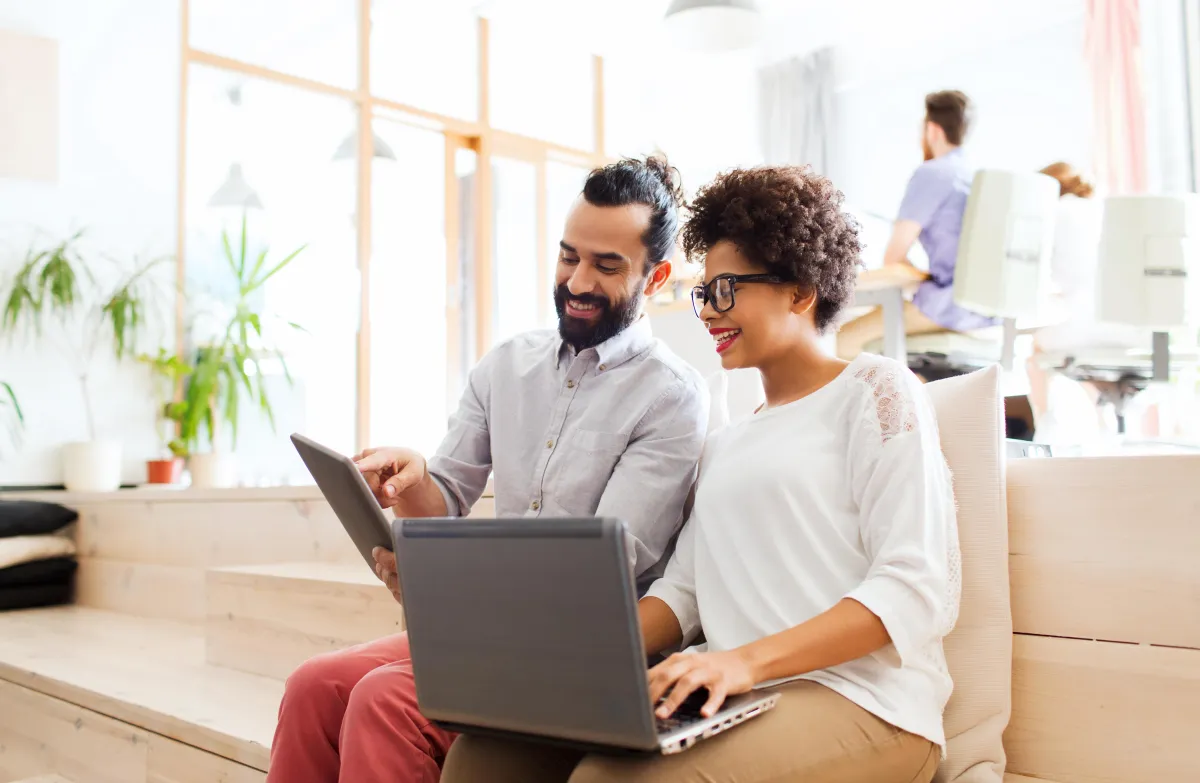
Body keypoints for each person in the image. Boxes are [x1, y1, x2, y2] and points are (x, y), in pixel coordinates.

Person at [442, 165, 961, 783]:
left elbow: (914, 587)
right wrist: (569, 659)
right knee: (483, 759)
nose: (709, 312)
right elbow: (682, 592)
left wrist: (740, 664)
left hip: (864, 702)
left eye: (727, 290)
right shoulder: (730, 438)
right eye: (704, 292)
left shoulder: (876, 391)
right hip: (738, 692)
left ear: (799, 291)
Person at [267, 156, 710, 783]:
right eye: (568, 256)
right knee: (314, 684)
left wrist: (445, 584)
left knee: (384, 702)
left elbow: (597, 567)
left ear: (656, 276)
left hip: (589, 646)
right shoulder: (507, 364)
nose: (578, 280)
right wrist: (415, 478)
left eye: (606, 266)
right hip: (494, 629)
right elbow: (445, 497)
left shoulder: (673, 395)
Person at [838, 89, 997, 359]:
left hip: (949, 306)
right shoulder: (977, 176)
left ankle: (901, 398)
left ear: (932, 130)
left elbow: (894, 256)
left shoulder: (933, 173)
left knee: (841, 342)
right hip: (987, 311)